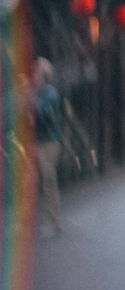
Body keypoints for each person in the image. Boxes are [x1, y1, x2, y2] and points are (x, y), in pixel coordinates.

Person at [30, 57, 64, 235]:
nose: (33, 75)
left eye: (36, 72)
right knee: (45, 182)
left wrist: (33, 104)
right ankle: (52, 221)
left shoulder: (49, 93)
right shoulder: (39, 92)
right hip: (41, 141)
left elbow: (44, 113)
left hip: (49, 142)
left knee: (49, 182)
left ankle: (54, 222)